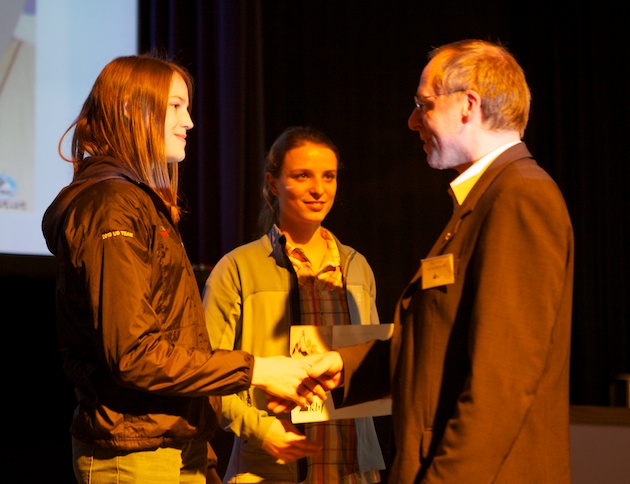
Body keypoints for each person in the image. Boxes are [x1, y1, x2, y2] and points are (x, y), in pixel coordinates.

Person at [296, 39, 575, 483]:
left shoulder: (521, 198)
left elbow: (500, 384)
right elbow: (438, 346)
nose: (411, 122)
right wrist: (343, 367)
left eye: (423, 105)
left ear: (468, 105)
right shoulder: (484, 201)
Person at [41, 54, 324, 484]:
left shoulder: (138, 204)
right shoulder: (111, 207)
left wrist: (203, 453)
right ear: (130, 110)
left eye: (186, 107)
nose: (189, 121)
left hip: (174, 447)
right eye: (175, 106)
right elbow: (135, 355)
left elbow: (177, 343)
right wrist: (259, 369)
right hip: (136, 455)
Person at [202, 126, 386, 483]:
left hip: (351, 469)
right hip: (268, 470)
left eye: (328, 176)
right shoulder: (238, 268)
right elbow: (207, 374)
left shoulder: (357, 267)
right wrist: (261, 430)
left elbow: (371, 366)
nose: (319, 189)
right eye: (303, 176)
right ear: (273, 183)